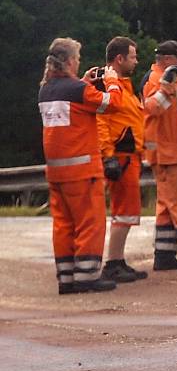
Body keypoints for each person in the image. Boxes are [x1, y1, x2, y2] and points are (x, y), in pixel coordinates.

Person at [38, 37, 122, 294]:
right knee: (90, 222)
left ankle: (66, 278)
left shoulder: (46, 90)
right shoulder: (77, 90)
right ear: (70, 61)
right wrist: (112, 82)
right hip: (82, 170)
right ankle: (86, 275)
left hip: (56, 172)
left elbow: (73, 110)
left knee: (63, 224)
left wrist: (83, 81)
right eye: (77, 59)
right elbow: (112, 105)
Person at [142, 40, 177, 270]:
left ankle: (163, 257)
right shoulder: (156, 80)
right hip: (167, 153)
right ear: (167, 59)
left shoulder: (167, 77)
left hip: (172, 151)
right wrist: (166, 85)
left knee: (166, 208)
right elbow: (152, 108)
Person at [97, 36, 148, 283]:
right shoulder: (109, 87)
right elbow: (102, 122)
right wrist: (108, 157)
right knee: (123, 212)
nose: (136, 61)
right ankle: (112, 263)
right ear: (120, 59)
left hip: (130, 156)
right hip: (121, 156)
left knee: (127, 212)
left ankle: (117, 260)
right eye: (133, 56)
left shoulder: (124, 87)